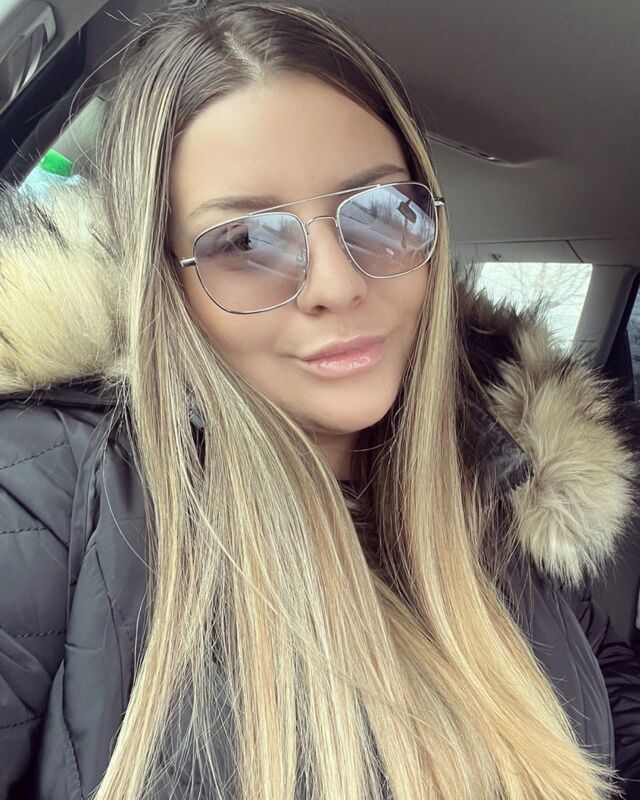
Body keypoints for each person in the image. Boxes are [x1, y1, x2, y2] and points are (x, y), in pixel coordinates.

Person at [0, 2, 639, 798]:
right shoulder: (45, 491)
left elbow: (614, 699)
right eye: (244, 241)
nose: (337, 283)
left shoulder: (505, 476)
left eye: (379, 212)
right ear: (163, 280)